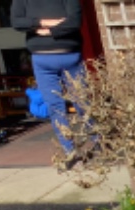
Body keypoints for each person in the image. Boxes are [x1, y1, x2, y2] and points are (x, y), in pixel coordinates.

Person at [10, 0, 87, 169]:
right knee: (55, 107)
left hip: (70, 56)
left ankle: (100, 143)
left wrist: (43, 30)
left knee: (83, 102)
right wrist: (48, 22)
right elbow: (17, 22)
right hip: (42, 60)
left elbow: (74, 21)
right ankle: (71, 152)